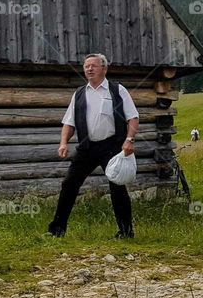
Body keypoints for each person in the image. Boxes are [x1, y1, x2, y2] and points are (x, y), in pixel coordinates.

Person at [47, 54, 140, 238]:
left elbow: (133, 117)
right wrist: (63, 143)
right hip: (86, 147)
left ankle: (125, 232)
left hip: (112, 146)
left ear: (104, 69)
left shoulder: (117, 90)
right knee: (69, 185)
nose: (89, 69)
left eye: (94, 66)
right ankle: (57, 230)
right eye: (86, 66)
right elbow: (69, 123)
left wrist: (129, 140)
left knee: (117, 187)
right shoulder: (80, 93)